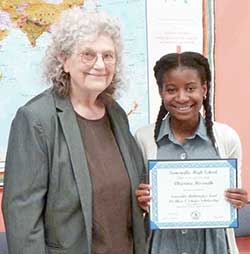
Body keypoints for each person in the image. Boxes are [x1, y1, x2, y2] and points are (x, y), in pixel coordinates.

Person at [2, 8, 147, 254]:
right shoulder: (36, 119)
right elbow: (22, 219)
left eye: (108, 56)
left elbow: (129, 191)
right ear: (65, 60)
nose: (100, 65)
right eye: (88, 55)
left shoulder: (117, 114)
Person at [135, 52, 248, 254]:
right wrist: (141, 203)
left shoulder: (226, 138)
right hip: (162, 246)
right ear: (161, 91)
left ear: (204, 89)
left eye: (190, 88)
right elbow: (138, 203)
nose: (181, 97)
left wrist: (237, 200)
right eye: (171, 89)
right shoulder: (143, 139)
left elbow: (233, 197)